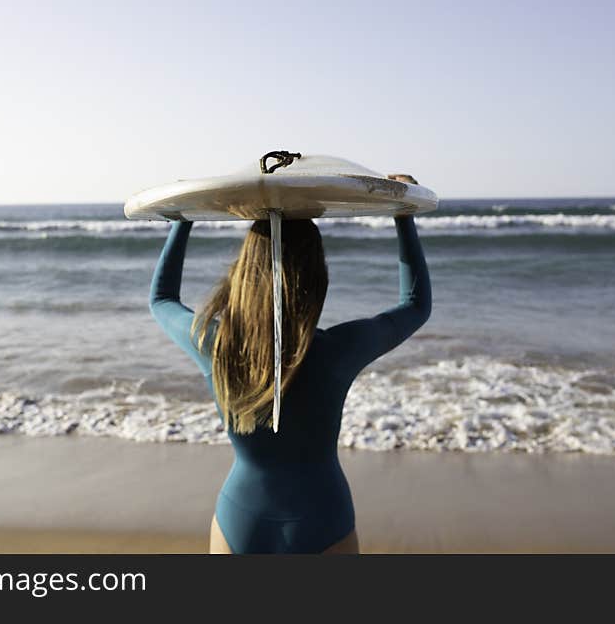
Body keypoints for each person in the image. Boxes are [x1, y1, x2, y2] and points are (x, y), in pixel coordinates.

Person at [148, 176, 432, 554]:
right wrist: (403, 213)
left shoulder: (214, 344)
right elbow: (415, 305)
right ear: (317, 278)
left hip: (240, 519)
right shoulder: (337, 350)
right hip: (325, 516)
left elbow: (162, 299)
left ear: (244, 271)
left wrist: (183, 216)